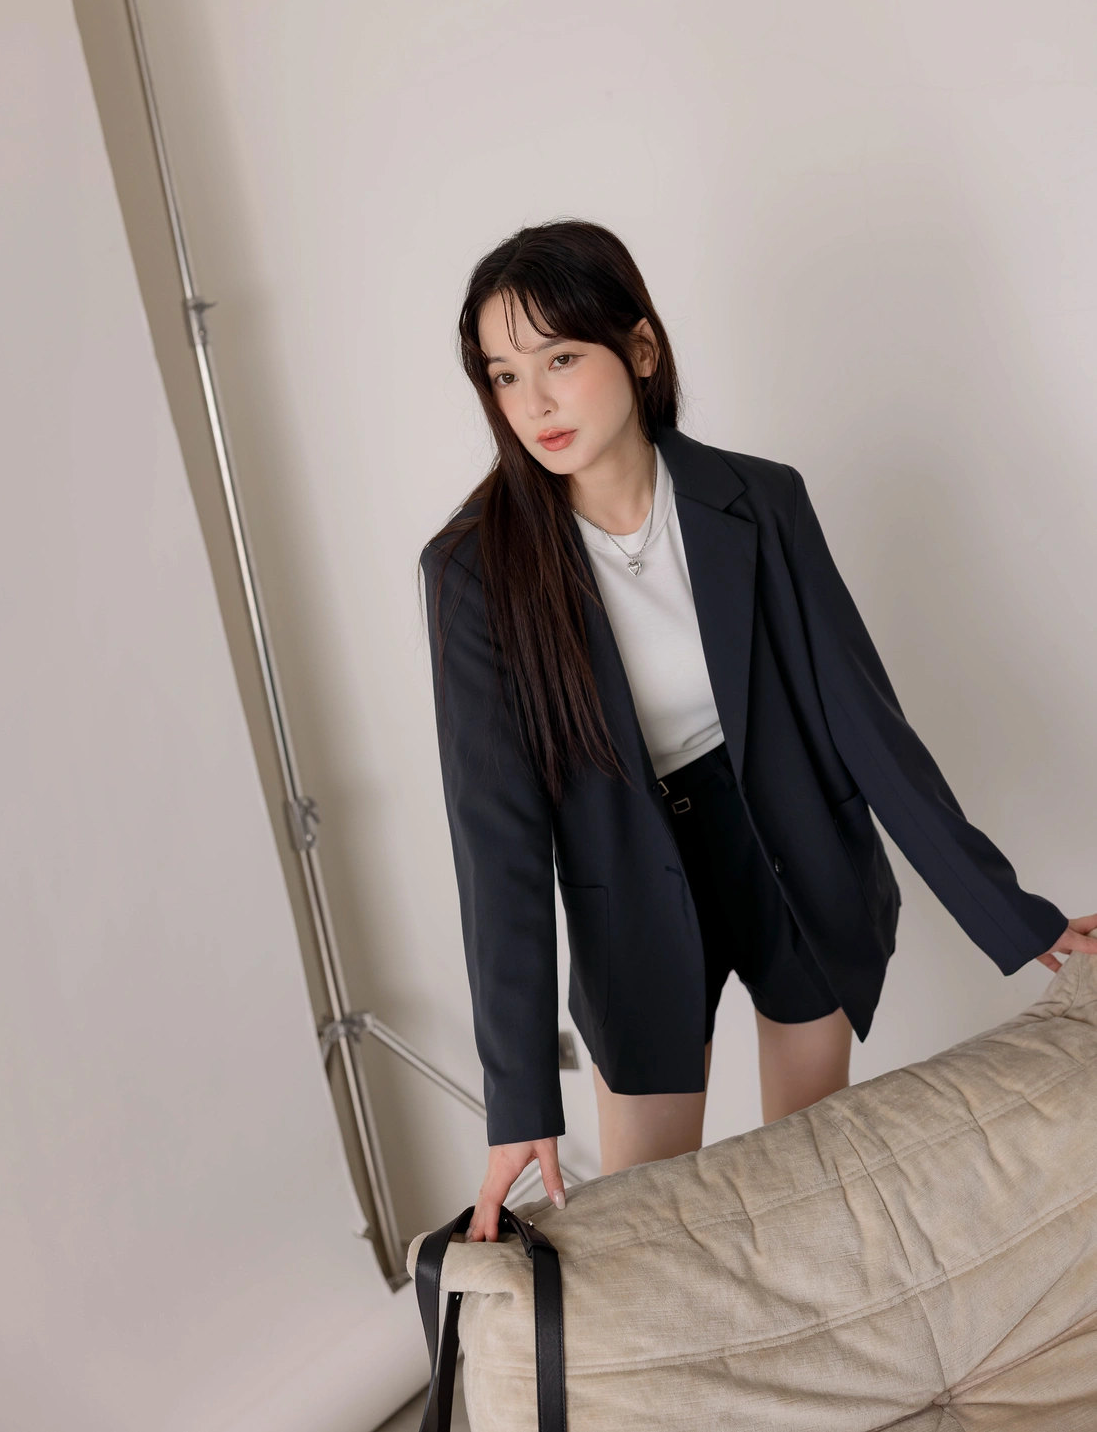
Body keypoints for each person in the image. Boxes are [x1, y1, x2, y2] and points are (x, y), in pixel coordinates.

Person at [419, 218, 1096, 1244]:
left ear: (639, 349)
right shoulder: (472, 573)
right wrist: (518, 1097)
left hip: (791, 857)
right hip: (631, 892)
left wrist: (1015, 918)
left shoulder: (760, 500)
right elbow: (496, 843)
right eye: (505, 376)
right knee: (646, 1226)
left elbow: (864, 726)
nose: (535, 402)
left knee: (811, 1185)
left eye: (559, 359)